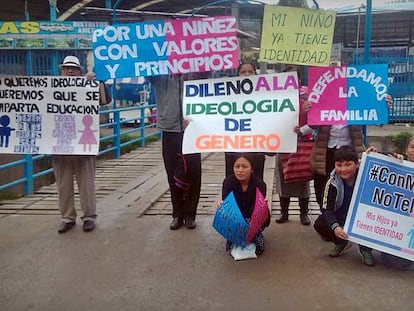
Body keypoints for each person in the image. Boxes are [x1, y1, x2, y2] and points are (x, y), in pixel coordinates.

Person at [54, 55, 109, 233]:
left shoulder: (89, 86)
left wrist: (97, 82)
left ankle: (89, 217)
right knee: (63, 184)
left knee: (86, 183)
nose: (69, 71)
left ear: (80, 71)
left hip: (83, 144)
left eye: (73, 68)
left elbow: (104, 100)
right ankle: (67, 217)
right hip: (60, 144)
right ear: (61, 71)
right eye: (66, 68)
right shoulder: (51, 88)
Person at [148, 73, 202, 230]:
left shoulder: (195, 72)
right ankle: (177, 214)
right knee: (172, 173)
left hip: (192, 128)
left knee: (194, 172)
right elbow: (143, 66)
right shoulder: (159, 75)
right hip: (169, 129)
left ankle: (191, 214)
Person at [313, 146, 375, 266]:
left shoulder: (367, 173)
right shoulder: (331, 183)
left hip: (363, 216)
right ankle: (341, 242)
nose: (343, 169)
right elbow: (326, 208)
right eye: (339, 165)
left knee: (375, 221)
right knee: (320, 224)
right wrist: (335, 227)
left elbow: (385, 166)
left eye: (348, 165)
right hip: (341, 216)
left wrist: (391, 156)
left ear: (357, 164)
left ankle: (365, 249)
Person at [369, 136, 414, 269]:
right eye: (413, 147)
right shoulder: (397, 164)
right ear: (406, 149)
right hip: (398, 225)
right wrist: (371, 156)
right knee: (391, 260)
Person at [275, 68, 312, 225]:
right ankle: (284, 212)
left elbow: (316, 123)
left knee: (303, 178)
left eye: (294, 78)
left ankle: (304, 213)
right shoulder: (274, 101)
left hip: (301, 145)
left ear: (299, 81)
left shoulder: (307, 101)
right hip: (282, 144)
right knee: (282, 178)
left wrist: (302, 130)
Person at [220, 153, 270, 255]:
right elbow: (228, 206)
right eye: (237, 166)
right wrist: (223, 206)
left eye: (245, 166)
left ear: (252, 169)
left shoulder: (259, 184)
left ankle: (253, 235)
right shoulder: (228, 183)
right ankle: (237, 235)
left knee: (258, 247)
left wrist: (262, 206)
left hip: (252, 217)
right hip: (236, 217)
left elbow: (258, 210)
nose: (240, 170)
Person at [224, 62, 266, 180]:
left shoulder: (265, 95)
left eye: (250, 72)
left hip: (256, 149)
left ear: (255, 74)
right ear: (238, 75)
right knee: (231, 182)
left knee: (257, 182)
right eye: (243, 72)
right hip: (233, 148)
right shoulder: (228, 96)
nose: (247, 74)